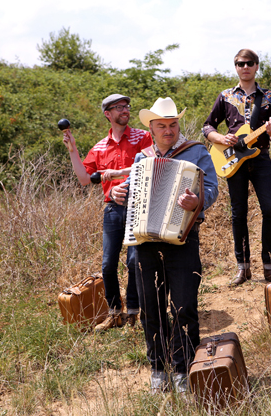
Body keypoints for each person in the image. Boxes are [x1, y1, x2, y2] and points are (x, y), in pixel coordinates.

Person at [111, 97, 218, 393]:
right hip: (145, 241)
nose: (168, 130)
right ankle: (158, 367)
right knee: (151, 307)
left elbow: (211, 189)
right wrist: (121, 192)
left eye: (173, 124)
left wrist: (198, 200)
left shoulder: (196, 151)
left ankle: (184, 369)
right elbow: (133, 192)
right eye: (162, 126)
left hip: (183, 238)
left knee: (184, 306)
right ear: (151, 129)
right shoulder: (142, 157)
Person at [62, 94, 153, 331]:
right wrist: (72, 150)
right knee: (108, 264)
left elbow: (149, 165)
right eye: (119, 107)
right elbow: (84, 179)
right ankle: (114, 313)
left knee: (134, 261)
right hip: (113, 208)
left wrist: (118, 177)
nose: (125, 110)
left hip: (138, 205)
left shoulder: (142, 137)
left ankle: (133, 313)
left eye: (126, 106)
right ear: (108, 114)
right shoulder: (100, 146)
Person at [202, 48, 271, 286]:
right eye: (240, 63)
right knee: (238, 214)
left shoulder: (269, 96)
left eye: (249, 63)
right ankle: (243, 268)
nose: (244, 67)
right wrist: (220, 139)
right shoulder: (225, 96)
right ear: (235, 67)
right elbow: (208, 126)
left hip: (260, 158)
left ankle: (270, 267)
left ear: (257, 66)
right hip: (232, 159)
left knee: (270, 209)